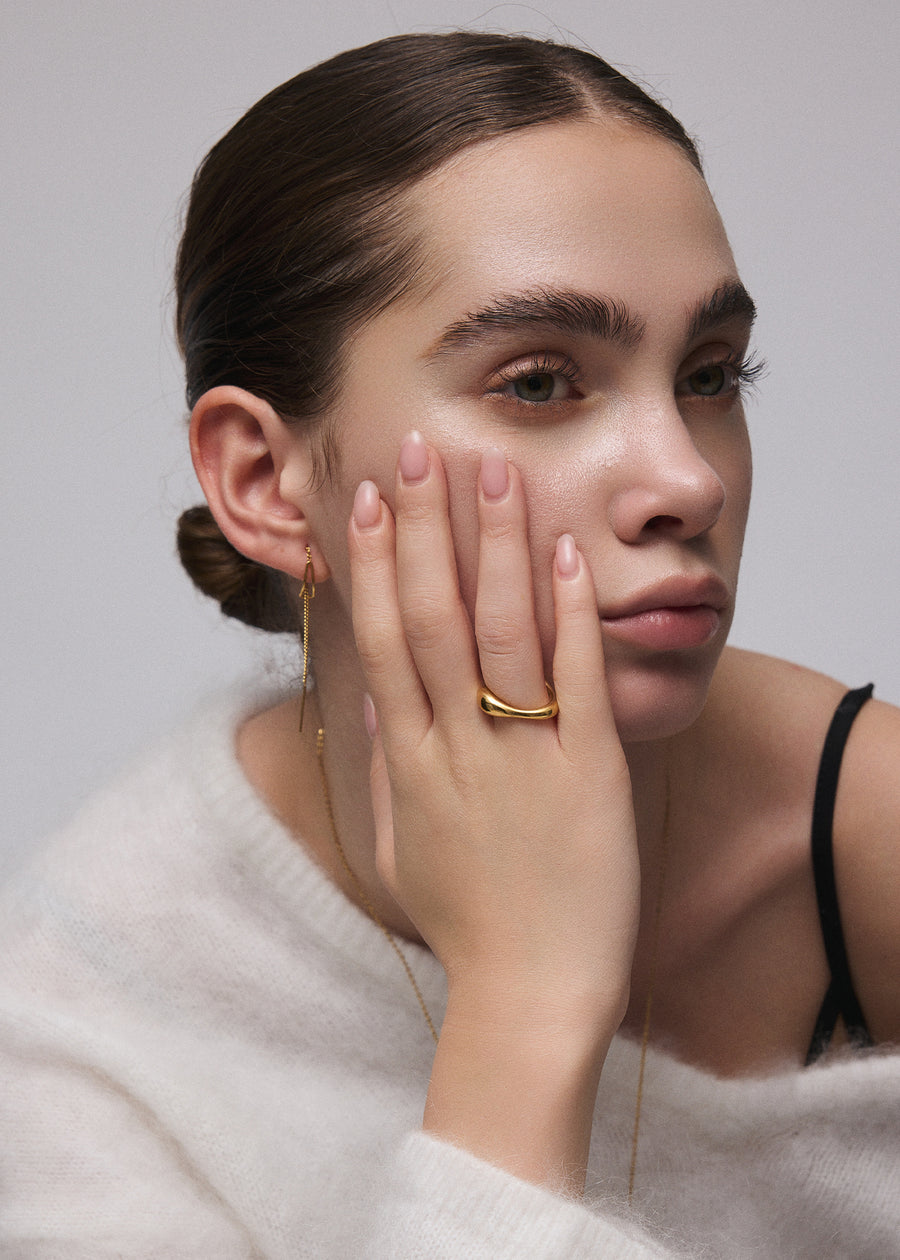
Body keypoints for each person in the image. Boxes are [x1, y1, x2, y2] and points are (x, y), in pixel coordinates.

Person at [1, 31, 897, 1258]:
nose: (689, 481)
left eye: (709, 374)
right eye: (538, 383)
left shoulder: (867, 828)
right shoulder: (78, 1038)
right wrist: (527, 1002)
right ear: (263, 481)